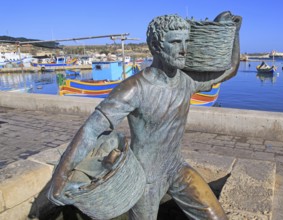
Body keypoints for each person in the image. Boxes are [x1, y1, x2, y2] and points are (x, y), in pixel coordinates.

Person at [48, 12, 241, 220]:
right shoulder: (134, 89)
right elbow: (91, 129)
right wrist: (59, 179)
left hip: (176, 167)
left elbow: (230, 69)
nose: (184, 50)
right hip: (144, 177)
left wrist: (235, 34)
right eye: (176, 42)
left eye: (186, 42)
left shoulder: (187, 81)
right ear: (156, 46)